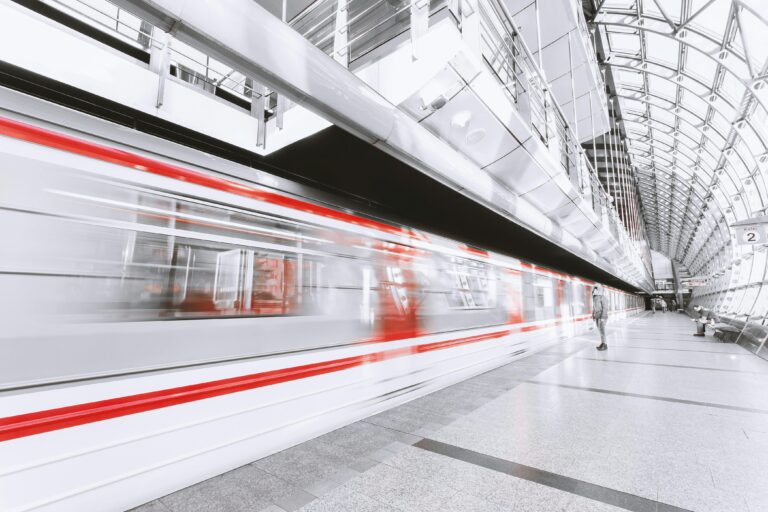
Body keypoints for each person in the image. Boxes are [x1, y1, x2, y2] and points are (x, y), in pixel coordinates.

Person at [592, 284, 608, 351]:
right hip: (597, 317)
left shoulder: (602, 297)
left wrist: (602, 317)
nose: (594, 290)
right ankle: (602, 343)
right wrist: (593, 315)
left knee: (602, 331)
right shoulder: (595, 298)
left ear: (599, 290)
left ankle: (604, 345)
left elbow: (605, 308)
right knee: (600, 331)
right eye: (594, 289)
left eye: (596, 289)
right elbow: (594, 308)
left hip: (602, 317)